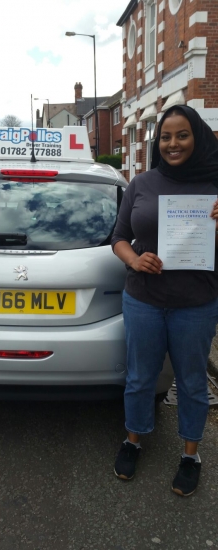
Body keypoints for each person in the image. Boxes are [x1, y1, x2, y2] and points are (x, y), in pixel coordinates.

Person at [111, 104, 218, 497]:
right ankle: (133, 440)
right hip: (144, 300)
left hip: (196, 304)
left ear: (198, 137)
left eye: (182, 135)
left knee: (192, 382)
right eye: (166, 137)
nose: (173, 143)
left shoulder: (215, 184)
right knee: (139, 378)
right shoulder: (142, 183)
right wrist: (135, 259)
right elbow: (119, 237)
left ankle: (191, 455)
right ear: (159, 143)